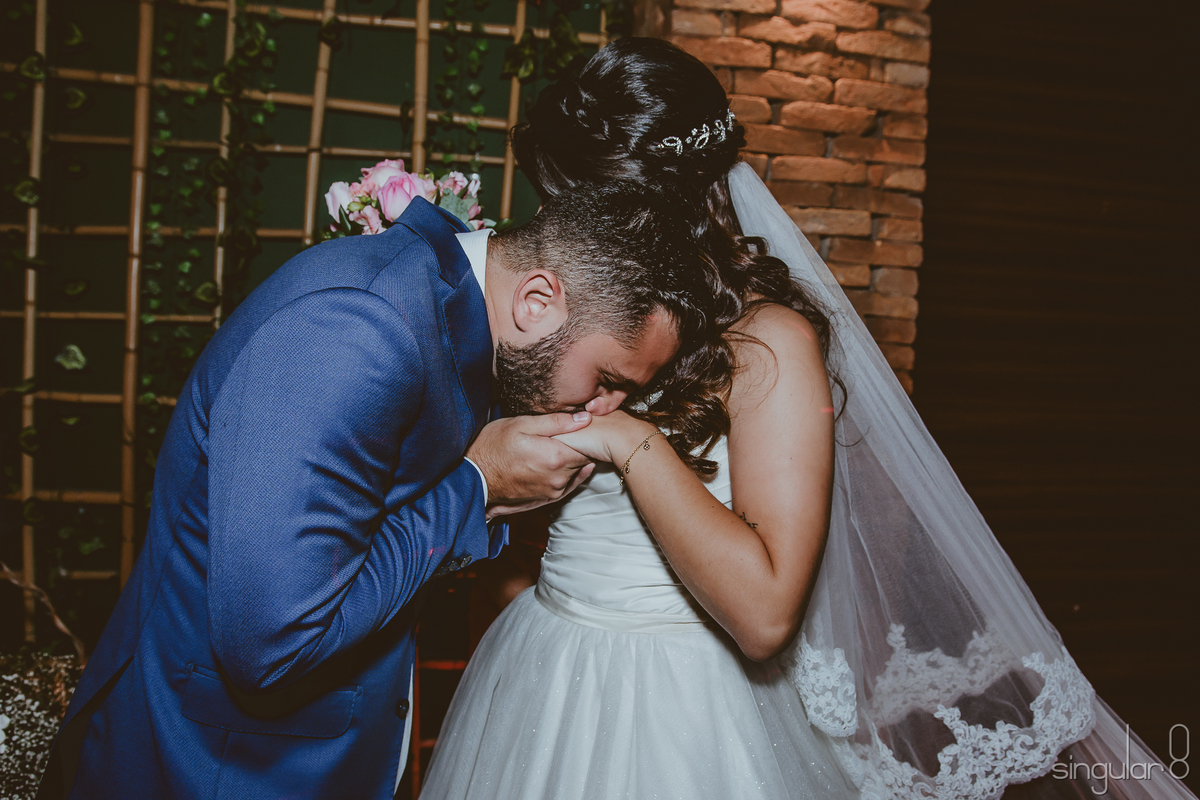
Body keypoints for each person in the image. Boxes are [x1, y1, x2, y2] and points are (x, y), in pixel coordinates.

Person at [419, 39, 1195, 800]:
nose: (562, 226)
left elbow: (764, 614)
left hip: (680, 702)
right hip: (544, 660)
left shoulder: (767, 343)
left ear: (651, 207)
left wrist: (631, 439)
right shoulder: (577, 316)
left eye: (576, 203)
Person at [36, 184, 715, 799]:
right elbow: (273, 645)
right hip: (214, 768)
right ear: (536, 302)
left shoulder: (441, 301)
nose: (605, 409)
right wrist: (474, 488)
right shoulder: (356, 329)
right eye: (608, 378)